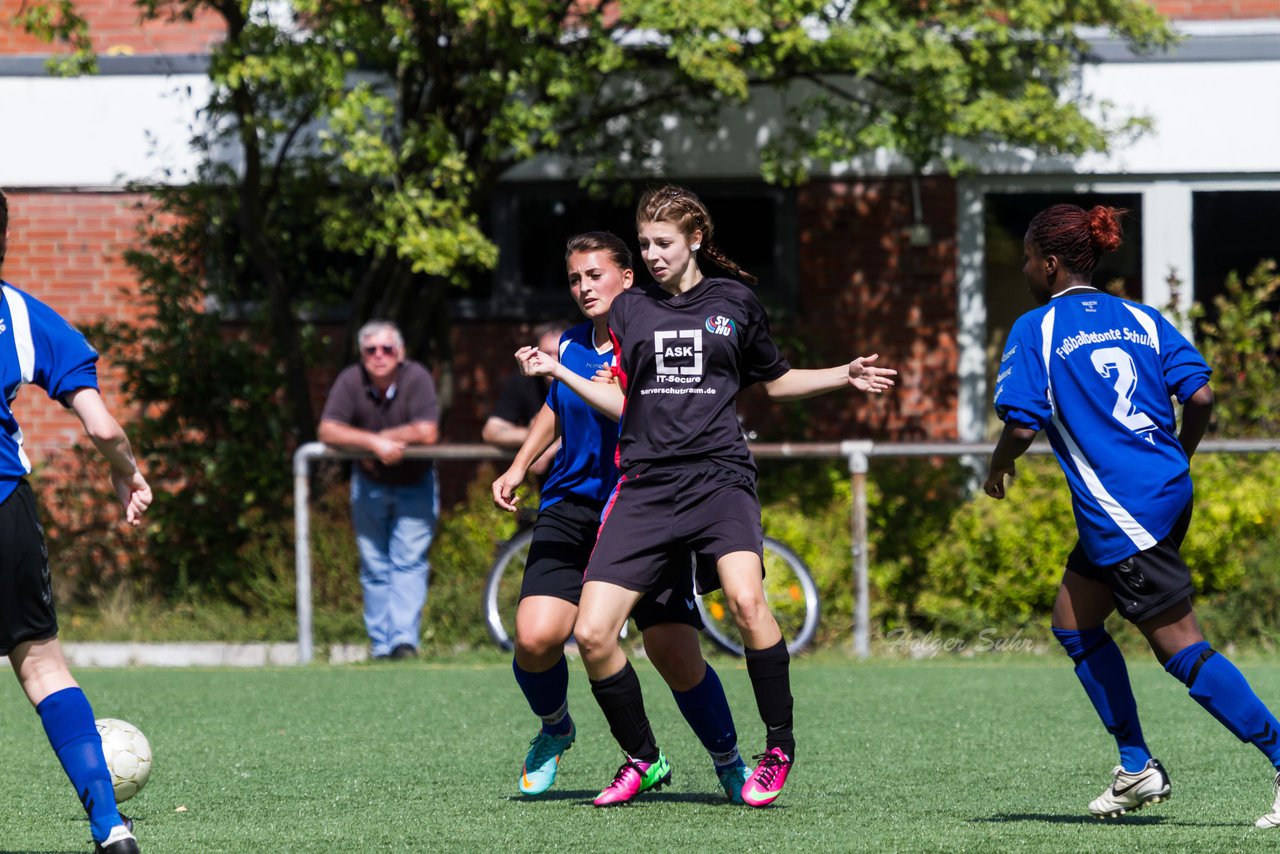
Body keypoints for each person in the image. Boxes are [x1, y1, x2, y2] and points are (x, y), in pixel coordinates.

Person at [517, 185, 896, 807]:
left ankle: (777, 748)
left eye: (662, 242)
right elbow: (624, 401)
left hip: (719, 479)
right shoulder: (630, 311)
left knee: (748, 602)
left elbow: (775, 382)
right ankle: (640, 755)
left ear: (695, 240)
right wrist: (560, 370)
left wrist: (843, 374)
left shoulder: (735, 302)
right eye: (644, 243)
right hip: (646, 486)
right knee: (591, 633)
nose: (653, 253)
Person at [984, 202, 1280, 825]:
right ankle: (1136, 767)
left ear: (1051, 263)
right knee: (1073, 621)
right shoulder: (1142, 319)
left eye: (1028, 260)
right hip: (1162, 491)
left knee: (1180, 649)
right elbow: (1199, 394)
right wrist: (1177, 455)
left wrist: (996, 467)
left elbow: (1020, 421)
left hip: (1122, 508)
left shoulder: (1035, 328)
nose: (1026, 270)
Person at [492, 231, 750, 803]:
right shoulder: (573, 343)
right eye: (575, 278)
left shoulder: (658, 340)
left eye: (595, 275)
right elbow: (556, 409)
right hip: (573, 506)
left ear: (628, 279)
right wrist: (518, 466)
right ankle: (559, 728)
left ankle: (729, 761)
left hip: (647, 507)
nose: (584, 287)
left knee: (674, 654)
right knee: (535, 638)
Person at [0, 189, 151, 854]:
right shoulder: (16, 311)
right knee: (41, 666)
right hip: (4, 501)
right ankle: (109, 826)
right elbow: (101, 424)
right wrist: (127, 472)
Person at [318, 321, 440, 660]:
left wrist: (387, 436)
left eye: (387, 349)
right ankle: (381, 646)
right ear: (362, 355)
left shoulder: (416, 377)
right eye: (371, 350)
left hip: (416, 483)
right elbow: (328, 429)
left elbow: (427, 431)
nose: (379, 356)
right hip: (369, 483)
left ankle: (404, 642)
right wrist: (374, 441)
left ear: (399, 353)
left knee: (408, 561)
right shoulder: (350, 379)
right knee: (374, 565)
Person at [482, 323, 565, 479]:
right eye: (547, 353)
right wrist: (534, 435)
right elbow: (491, 431)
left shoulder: (585, 380)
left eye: (560, 354)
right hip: (546, 485)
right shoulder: (523, 382)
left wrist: (549, 444)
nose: (553, 360)